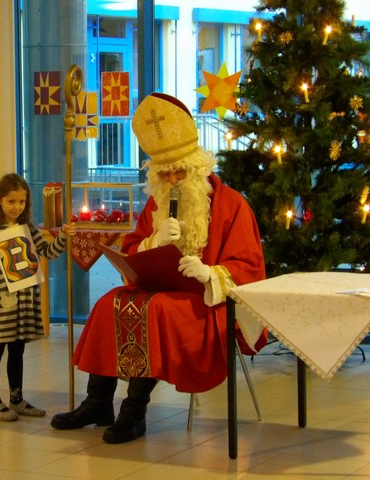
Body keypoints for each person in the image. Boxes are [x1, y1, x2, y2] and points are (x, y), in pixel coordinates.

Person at [51, 93, 268, 443]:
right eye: (164, 173)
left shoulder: (231, 205)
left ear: (197, 165)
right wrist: (152, 242)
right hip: (160, 289)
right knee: (109, 304)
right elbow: (133, 250)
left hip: (206, 303)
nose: (172, 178)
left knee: (156, 311)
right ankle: (98, 400)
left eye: (179, 170)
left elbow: (249, 266)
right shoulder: (157, 202)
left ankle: (134, 411)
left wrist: (209, 273)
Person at [0, 173, 76, 421]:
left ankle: (17, 398)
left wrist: (63, 235)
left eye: (21, 202)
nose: (16, 207)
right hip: (1, 303)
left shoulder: (28, 228)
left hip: (24, 302)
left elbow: (47, 252)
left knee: (17, 350)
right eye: (11, 202)